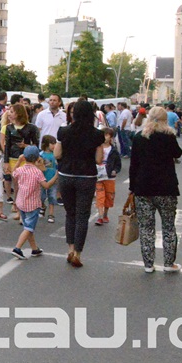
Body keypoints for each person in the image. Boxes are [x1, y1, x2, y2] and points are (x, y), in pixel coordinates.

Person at [130, 106, 182, 273]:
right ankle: (169, 263)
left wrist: (132, 187)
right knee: (168, 226)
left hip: (143, 187)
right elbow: (178, 153)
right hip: (166, 187)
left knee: (146, 227)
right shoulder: (169, 136)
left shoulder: (139, 137)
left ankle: (148, 264)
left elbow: (133, 164)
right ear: (165, 119)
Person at [54, 100, 104, 268]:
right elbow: (99, 159)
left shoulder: (63, 131)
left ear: (74, 113)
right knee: (82, 215)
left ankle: (70, 249)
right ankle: (78, 253)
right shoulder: (97, 134)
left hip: (66, 175)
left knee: (70, 213)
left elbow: (57, 154)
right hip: (87, 176)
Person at [10, 145, 57, 260]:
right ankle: (17, 248)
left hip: (21, 202)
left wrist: (19, 161)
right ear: (37, 158)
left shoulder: (20, 169)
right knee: (29, 228)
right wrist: (56, 176)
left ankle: (34, 248)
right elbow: (46, 185)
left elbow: (13, 173)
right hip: (33, 204)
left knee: (28, 227)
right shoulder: (37, 172)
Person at [94, 127, 123, 225]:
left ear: (111, 137)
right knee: (100, 196)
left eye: (107, 135)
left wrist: (115, 170)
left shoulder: (113, 150)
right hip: (99, 176)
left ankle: (105, 214)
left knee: (109, 196)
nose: (105, 137)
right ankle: (100, 217)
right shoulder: (97, 148)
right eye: (103, 135)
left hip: (110, 177)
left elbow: (118, 164)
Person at [39, 135, 59, 223]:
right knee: (41, 196)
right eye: (52, 143)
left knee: (52, 196)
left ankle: (51, 214)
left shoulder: (55, 155)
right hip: (42, 179)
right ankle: (42, 206)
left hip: (53, 179)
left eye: (55, 143)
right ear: (46, 144)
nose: (54, 145)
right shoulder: (41, 155)